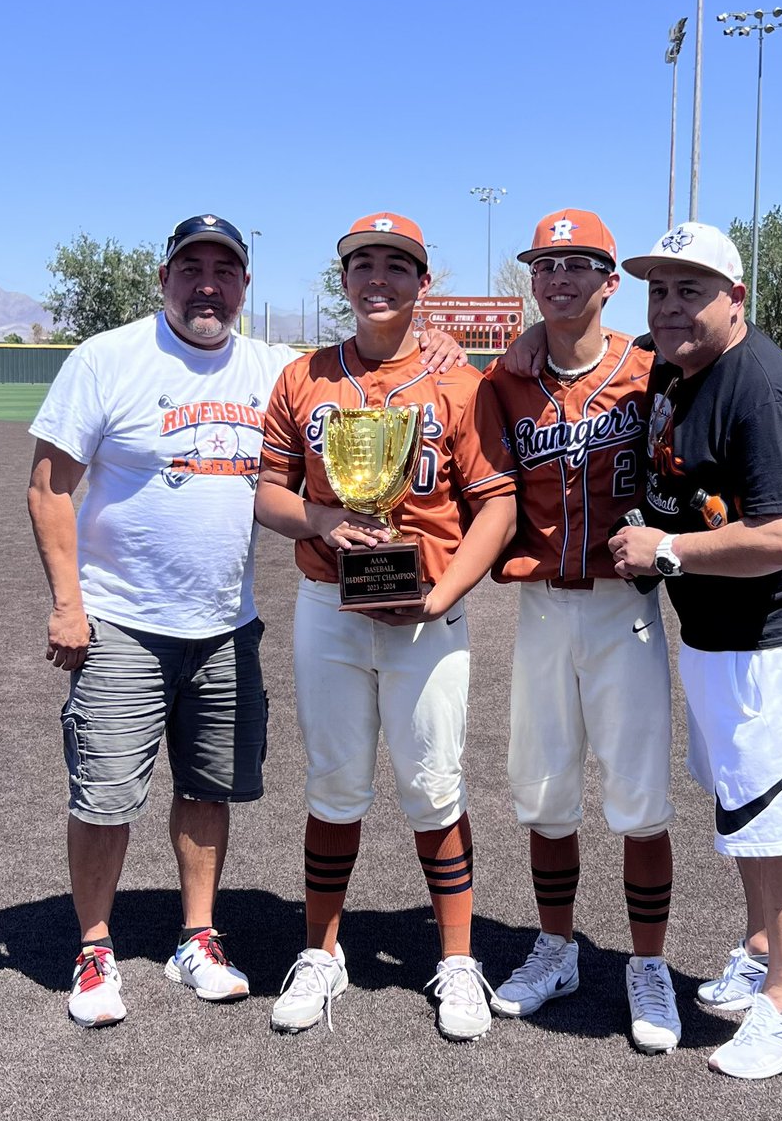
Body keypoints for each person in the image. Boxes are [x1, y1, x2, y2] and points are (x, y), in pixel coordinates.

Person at [27, 213, 462, 1030]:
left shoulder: (272, 367)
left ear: (243, 286)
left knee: (207, 788)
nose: (206, 285)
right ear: (164, 280)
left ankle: (198, 935)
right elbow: (49, 487)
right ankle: (93, 946)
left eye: (223, 271)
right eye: (190, 268)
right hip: (122, 617)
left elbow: (368, 366)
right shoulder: (108, 358)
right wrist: (66, 602)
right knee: (106, 795)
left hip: (226, 623)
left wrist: (433, 337)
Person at [255, 212, 517, 1043]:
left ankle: (457, 961)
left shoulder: (463, 384)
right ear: (344, 280)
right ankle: (322, 953)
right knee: (334, 785)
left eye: (396, 265)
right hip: (330, 607)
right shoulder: (304, 376)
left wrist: (442, 601)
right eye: (362, 263)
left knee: (435, 787)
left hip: (426, 615)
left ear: (422, 284)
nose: (378, 278)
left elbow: (497, 505)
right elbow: (267, 492)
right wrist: (321, 521)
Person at [609, 221, 782, 1080]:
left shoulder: (762, 388)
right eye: (658, 290)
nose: (669, 307)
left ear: (734, 299)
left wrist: (666, 551)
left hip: (769, 643)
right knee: (745, 810)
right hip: (716, 636)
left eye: (690, 291)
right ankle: (758, 954)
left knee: (777, 825)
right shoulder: (674, 360)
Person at [484, 209, 681, 1054]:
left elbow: (738, 373)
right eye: (545, 265)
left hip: (623, 607)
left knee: (639, 800)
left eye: (578, 264)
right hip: (540, 610)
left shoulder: (653, 368)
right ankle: (558, 949)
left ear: (610, 281)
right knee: (544, 794)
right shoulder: (508, 379)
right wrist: (515, 345)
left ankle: (648, 965)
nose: (559, 277)